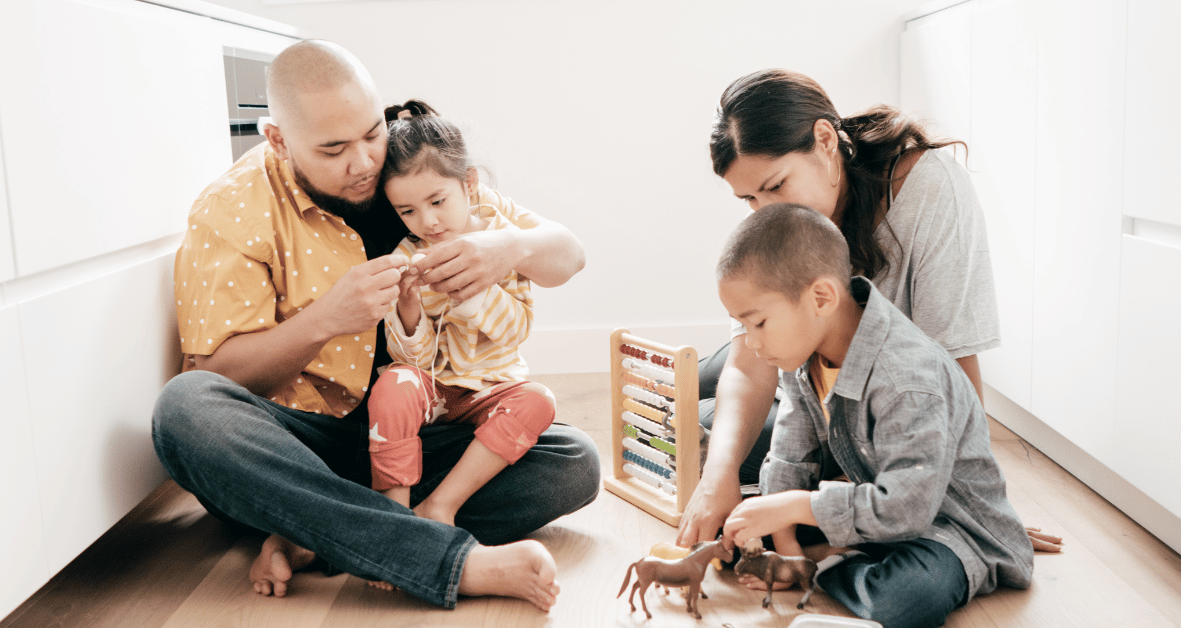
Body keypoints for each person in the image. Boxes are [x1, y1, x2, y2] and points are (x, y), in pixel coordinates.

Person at [151, 39, 598, 612]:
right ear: (279, 139)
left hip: (415, 440)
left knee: (572, 462)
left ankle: (314, 529)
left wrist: (506, 246)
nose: (363, 162)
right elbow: (215, 374)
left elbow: (569, 255)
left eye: (369, 134)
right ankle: (445, 559)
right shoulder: (230, 211)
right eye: (334, 149)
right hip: (301, 445)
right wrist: (323, 321)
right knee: (185, 410)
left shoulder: (411, 173)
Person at [679, 69, 1060, 555]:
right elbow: (749, 364)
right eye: (749, 199)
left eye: (775, 186)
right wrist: (718, 476)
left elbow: (952, 360)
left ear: (824, 141)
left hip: (865, 392)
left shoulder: (928, 188)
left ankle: (711, 427)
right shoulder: (778, 215)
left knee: (723, 433)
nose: (763, 211)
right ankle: (708, 428)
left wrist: (969, 506)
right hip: (799, 366)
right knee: (719, 424)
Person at [716, 203, 1034, 628]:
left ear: (821, 298)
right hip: (871, 511)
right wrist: (784, 546)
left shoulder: (906, 377)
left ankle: (829, 563)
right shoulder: (798, 354)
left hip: (946, 530)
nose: (752, 344)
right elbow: (791, 456)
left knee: (907, 600)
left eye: (758, 323)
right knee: (735, 535)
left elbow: (907, 509)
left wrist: (793, 508)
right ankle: (820, 556)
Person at [366, 99, 555, 532]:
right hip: (433, 393)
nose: (428, 221)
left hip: (491, 391)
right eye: (407, 211)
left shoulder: (499, 243)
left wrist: (473, 290)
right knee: (393, 382)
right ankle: (394, 513)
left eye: (437, 200)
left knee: (538, 400)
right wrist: (409, 311)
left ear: (469, 185)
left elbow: (517, 330)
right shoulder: (407, 255)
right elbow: (413, 363)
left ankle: (440, 505)